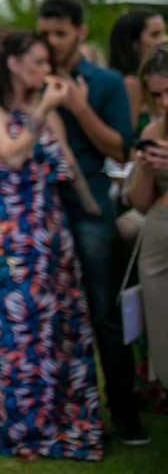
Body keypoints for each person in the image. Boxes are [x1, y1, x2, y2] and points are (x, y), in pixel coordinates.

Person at [0, 31, 104, 459]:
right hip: (8, 234)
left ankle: (61, 422)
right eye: (39, 61)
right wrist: (43, 110)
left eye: (47, 63)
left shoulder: (40, 110)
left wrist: (98, 214)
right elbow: (11, 155)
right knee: (16, 332)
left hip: (49, 233)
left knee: (55, 332)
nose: (46, 70)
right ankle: (22, 431)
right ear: (14, 63)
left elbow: (69, 167)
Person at [36, 0, 146, 444]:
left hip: (90, 205)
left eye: (60, 33)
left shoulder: (105, 82)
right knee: (46, 312)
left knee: (104, 308)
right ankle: (58, 411)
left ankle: (124, 407)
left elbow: (122, 150)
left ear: (80, 33)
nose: (51, 41)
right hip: (39, 206)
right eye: (44, 33)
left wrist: (81, 108)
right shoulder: (30, 78)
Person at [126, 42, 168, 406]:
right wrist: (145, 169)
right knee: (163, 347)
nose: (165, 102)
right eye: (156, 94)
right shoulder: (154, 130)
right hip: (157, 245)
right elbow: (139, 203)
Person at [109, 9, 167, 132]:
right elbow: (127, 135)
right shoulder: (132, 83)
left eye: (164, 32)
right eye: (155, 34)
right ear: (134, 43)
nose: (164, 39)